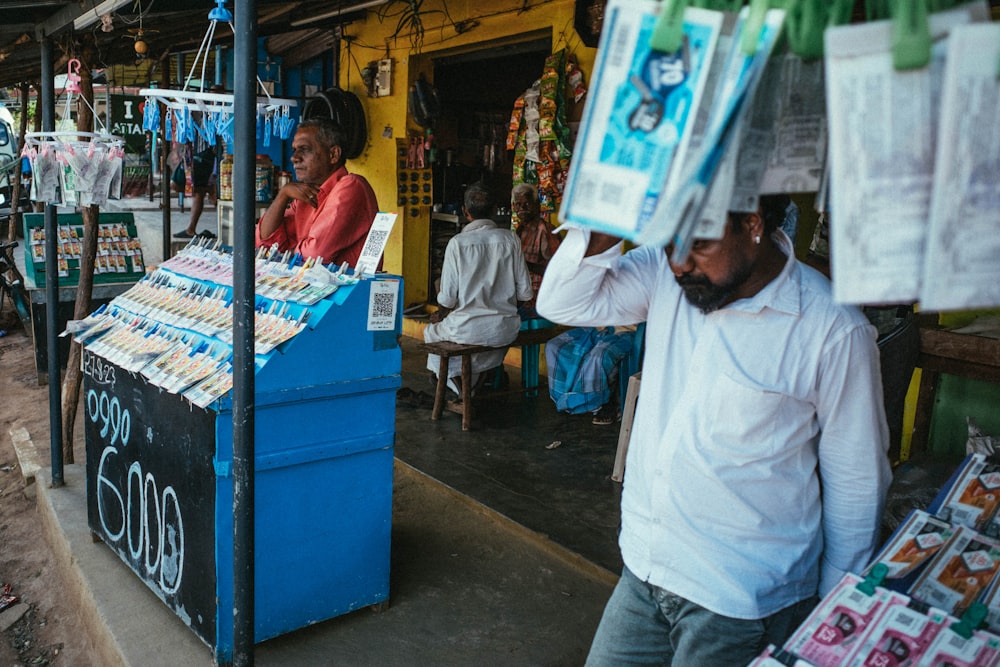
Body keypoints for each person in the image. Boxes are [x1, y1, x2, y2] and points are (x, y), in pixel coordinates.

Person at [536, 194, 892, 666]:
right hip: (646, 566)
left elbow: (857, 481)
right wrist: (625, 202)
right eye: (667, 242)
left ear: (751, 223)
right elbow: (562, 299)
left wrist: (832, 616)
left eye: (698, 243)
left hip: (738, 600)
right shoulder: (666, 276)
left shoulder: (831, 329)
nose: (679, 262)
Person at [424, 182, 533, 399]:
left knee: (430, 333)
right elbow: (525, 294)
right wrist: (503, 307)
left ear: (465, 212)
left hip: (466, 328)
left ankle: (463, 389)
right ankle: (475, 383)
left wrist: (441, 314)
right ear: (494, 210)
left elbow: (447, 298)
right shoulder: (511, 239)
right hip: (504, 328)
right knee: (486, 344)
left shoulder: (457, 243)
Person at [256, 117, 378, 266]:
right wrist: (283, 195)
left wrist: (289, 252)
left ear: (333, 155)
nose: (294, 158)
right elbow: (266, 244)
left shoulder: (351, 186)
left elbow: (314, 255)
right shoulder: (306, 193)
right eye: (294, 150)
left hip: (349, 287)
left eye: (305, 149)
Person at [511, 182, 561, 316]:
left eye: (526, 204)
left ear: (536, 205)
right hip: (524, 298)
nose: (522, 208)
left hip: (540, 300)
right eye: (518, 204)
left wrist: (523, 265)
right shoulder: (520, 229)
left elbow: (558, 271)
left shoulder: (546, 231)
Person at [171, 131, 217, 239]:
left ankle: (208, 189)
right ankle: (191, 229)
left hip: (203, 154)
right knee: (197, 192)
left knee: (176, 183)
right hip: (193, 152)